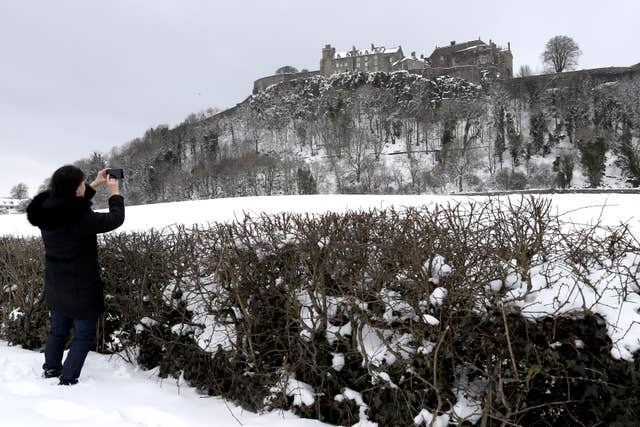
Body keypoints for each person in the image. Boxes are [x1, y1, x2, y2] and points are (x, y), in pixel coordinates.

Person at [26, 165, 125, 385]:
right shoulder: (80, 217)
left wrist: (96, 183)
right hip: (81, 286)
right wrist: (115, 193)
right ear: (73, 188)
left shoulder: (46, 209)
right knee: (83, 335)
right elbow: (115, 219)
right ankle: (68, 379)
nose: (84, 186)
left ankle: (51, 369)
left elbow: (69, 204)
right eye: (82, 183)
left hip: (56, 283)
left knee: (58, 330)